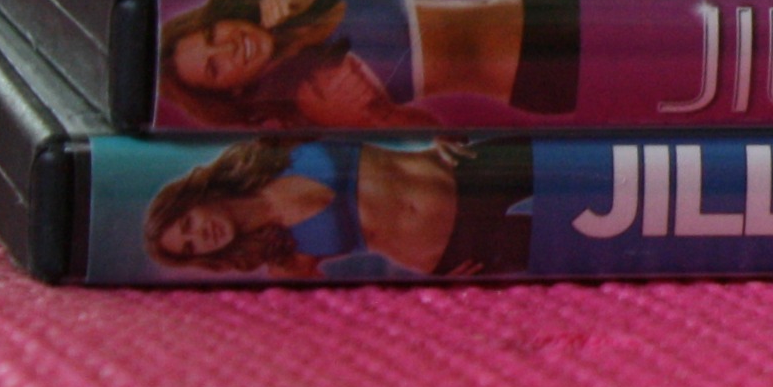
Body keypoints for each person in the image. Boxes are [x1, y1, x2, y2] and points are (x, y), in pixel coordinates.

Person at [156, 0, 579, 131]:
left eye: (212, 35)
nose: (228, 47)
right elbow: (432, 136)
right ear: (231, 90)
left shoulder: (295, 3)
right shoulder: (307, 100)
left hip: (545, 7)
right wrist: (380, 118)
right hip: (539, 76)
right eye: (215, 67)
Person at [141, 136, 534, 279]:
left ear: (196, 198)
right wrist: (442, 287)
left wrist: (440, 129)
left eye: (188, 223)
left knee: (568, 158)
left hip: (463, 170)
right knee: (569, 242)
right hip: (455, 251)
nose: (201, 236)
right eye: (191, 247)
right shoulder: (282, 261)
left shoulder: (272, 150)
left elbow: (375, 111)